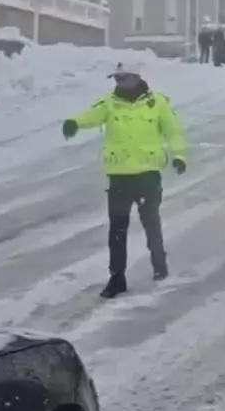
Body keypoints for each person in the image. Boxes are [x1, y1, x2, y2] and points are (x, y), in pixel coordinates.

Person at [62, 63, 187, 298]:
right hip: (119, 176)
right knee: (117, 230)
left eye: (122, 78)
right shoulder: (109, 102)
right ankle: (117, 278)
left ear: (135, 78)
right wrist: (75, 122)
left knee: (151, 223)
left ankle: (159, 264)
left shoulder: (158, 103)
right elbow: (91, 115)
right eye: (116, 79)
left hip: (148, 175)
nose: (118, 83)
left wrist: (179, 155)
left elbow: (174, 131)